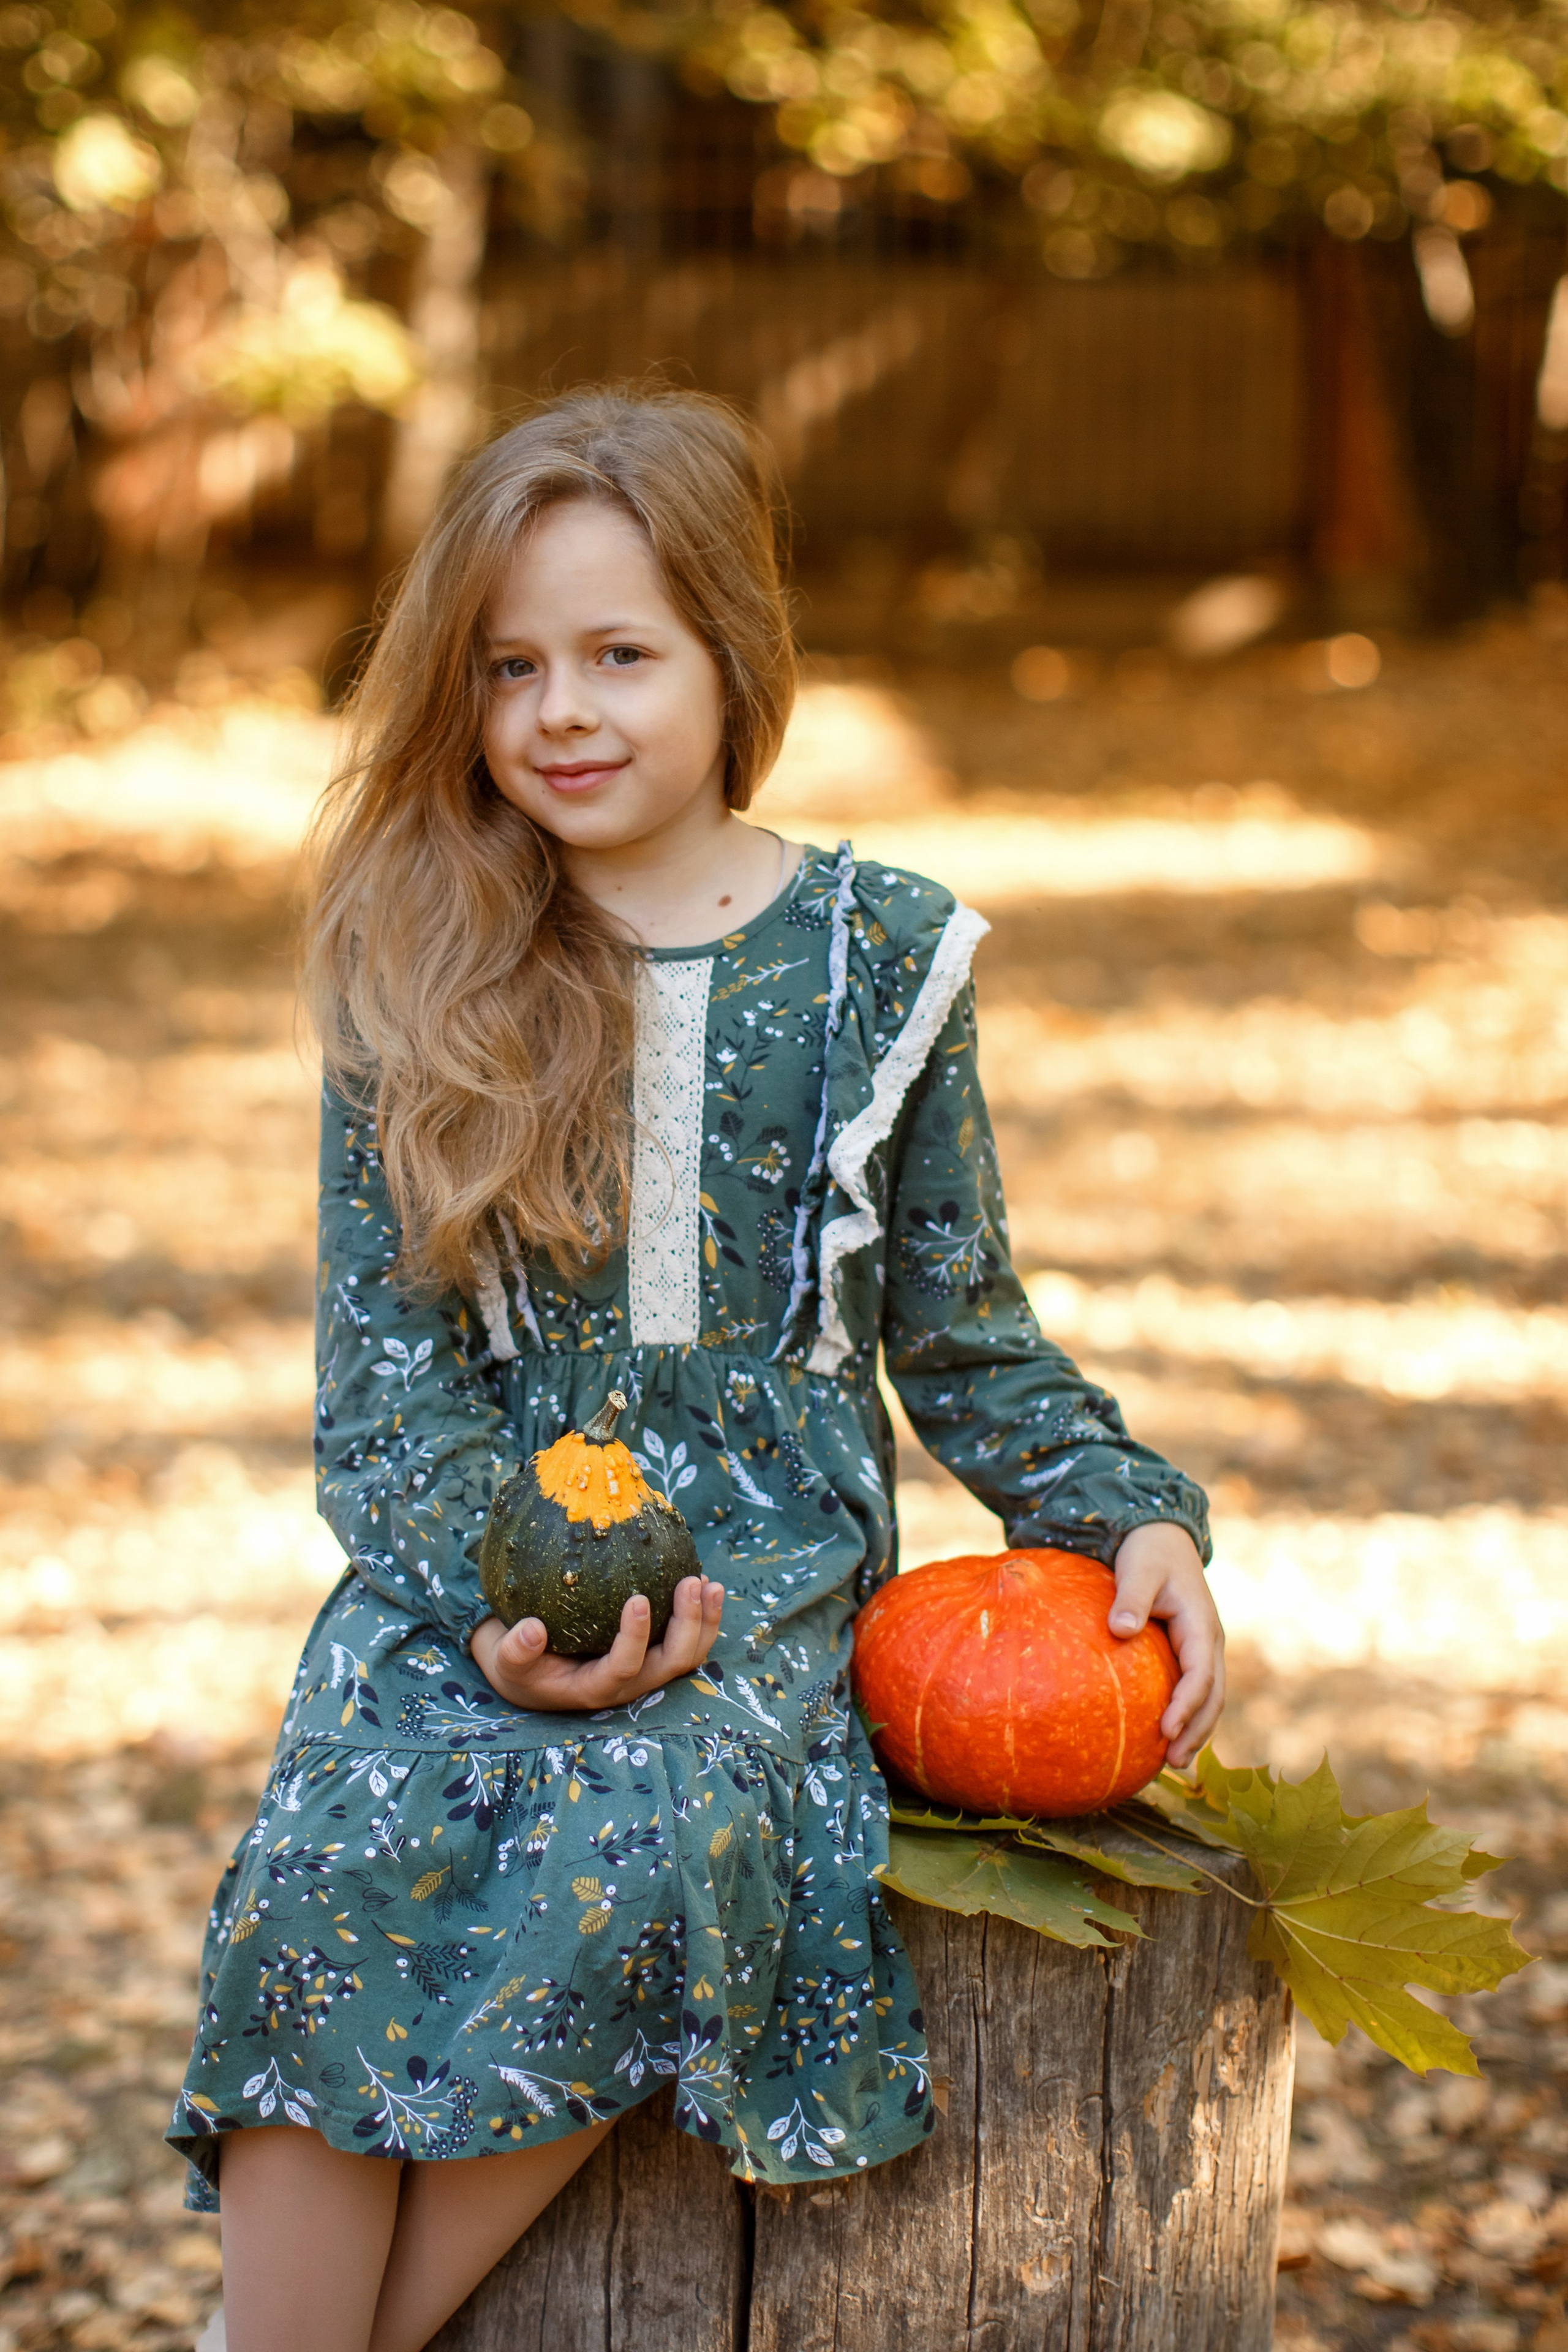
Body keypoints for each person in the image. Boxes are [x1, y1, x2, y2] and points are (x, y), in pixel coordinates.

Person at [167, 385, 1223, 2352]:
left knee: (649, 1823)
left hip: (753, 1579)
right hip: (469, 1558)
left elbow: (965, 1331)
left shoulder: (875, 959)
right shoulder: (419, 956)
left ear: (735, 655)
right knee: (344, 1830)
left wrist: (1128, 1508)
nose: (561, 708)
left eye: (618, 655)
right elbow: (380, 1393)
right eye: (510, 666)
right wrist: (497, 1601)